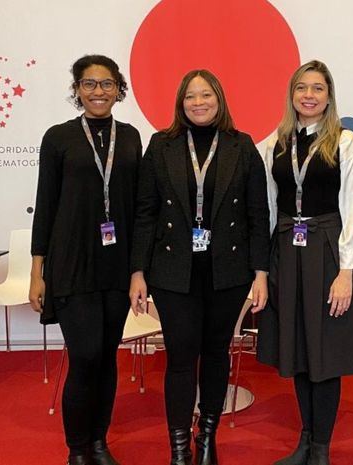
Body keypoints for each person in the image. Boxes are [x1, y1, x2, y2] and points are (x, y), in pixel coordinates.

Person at [129, 69, 269, 465]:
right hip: (173, 272)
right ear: (181, 103)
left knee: (215, 353)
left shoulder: (241, 147)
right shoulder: (162, 145)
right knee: (179, 356)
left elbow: (259, 215)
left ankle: (206, 438)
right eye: (190, 96)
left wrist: (261, 273)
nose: (198, 102)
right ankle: (178, 449)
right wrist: (137, 271)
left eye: (205, 95)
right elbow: (145, 213)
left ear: (219, 99)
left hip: (228, 271)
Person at [256, 60, 353, 465]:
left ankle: (321, 448)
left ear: (329, 96)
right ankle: (305, 442)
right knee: (299, 349)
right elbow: (271, 207)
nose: (309, 95)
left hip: (328, 252)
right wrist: (267, 263)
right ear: (292, 95)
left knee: (325, 353)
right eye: (301, 88)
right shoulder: (276, 142)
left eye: (318, 88)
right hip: (287, 252)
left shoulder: (344, 143)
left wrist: (346, 272)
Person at [29, 55, 142, 465]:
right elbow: (46, 206)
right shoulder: (57, 137)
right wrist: (37, 273)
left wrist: (138, 269)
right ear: (77, 89)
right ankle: (77, 448)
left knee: (107, 355)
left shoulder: (130, 138)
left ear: (119, 89)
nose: (99, 91)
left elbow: (136, 205)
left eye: (107, 84)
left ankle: (99, 441)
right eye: (90, 84)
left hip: (116, 264)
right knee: (85, 355)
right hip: (72, 262)